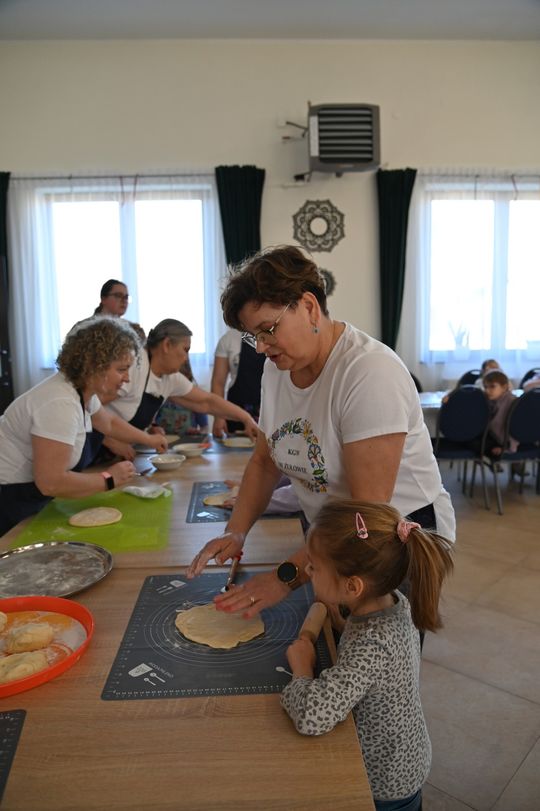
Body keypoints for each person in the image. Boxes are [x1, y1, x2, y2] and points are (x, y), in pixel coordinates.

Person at [187, 245, 455, 622]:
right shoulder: (277, 368)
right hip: (333, 537)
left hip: (392, 541)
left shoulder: (367, 372)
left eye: (268, 330)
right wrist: (236, 532)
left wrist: (283, 578)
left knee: (376, 666)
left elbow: (365, 514)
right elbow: (265, 460)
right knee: (333, 652)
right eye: (253, 336)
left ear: (309, 307)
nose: (262, 347)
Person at [281, 499, 454, 811]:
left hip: (385, 782)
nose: (307, 571)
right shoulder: (393, 602)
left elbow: (312, 717)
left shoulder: (372, 644)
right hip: (406, 758)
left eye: (314, 567)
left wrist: (302, 669)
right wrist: (340, 622)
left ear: (353, 586)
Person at [0, 317, 167, 536]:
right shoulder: (60, 403)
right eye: (121, 369)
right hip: (9, 500)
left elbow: (108, 423)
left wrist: (150, 440)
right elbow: (50, 482)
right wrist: (108, 479)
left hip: (27, 496)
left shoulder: (81, 390)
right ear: (94, 365)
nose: (127, 378)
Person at [102, 318, 258, 459]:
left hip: (118, 456)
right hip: (96, 448)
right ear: (167, 345)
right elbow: (91, 405)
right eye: (185, 349)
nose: (186, 358)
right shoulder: (134, 367)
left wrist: (246, 418)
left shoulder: (170, 378)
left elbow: (207, 402)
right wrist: (108, 439)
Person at [211, 328, 265, 437]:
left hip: (268, 412)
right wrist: (219, 416)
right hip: (235, 412)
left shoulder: (276, 336)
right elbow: (218, 382)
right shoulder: (228, 339)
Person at [481, 370, 518, 457]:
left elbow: (517, 428)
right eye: (485, 387)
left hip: (509, 442)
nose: (487, 390)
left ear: (504, 387)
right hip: (495, 437)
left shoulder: (512, 402)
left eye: (492, 387)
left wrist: (508, 447)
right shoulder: (491, 400)